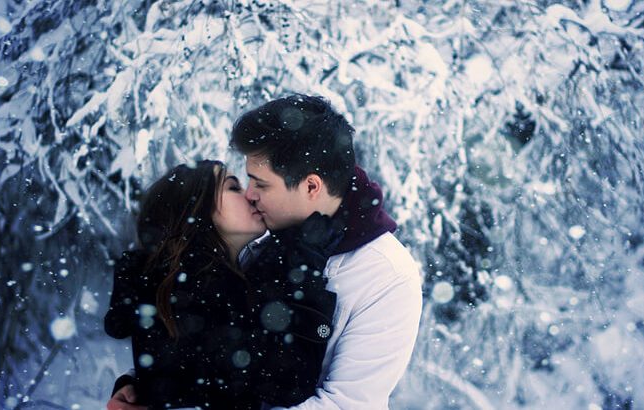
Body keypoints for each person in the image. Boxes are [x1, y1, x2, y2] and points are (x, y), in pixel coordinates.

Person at [109, 94, 423, 409]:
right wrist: (145, 387)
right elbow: (206, 348)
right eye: (244, 182)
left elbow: (347, 405)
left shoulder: (387, 276)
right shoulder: (260, 242)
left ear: (311, 187)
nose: (249, 194)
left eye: (261, 184)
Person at [105, 160, 340, 409]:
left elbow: (175, 381)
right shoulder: (203, 292)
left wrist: (133, 384)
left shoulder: (171, 282)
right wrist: (306, 264)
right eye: (233, 188)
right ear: (196, 210)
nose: (250, 195)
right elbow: (287, 386)